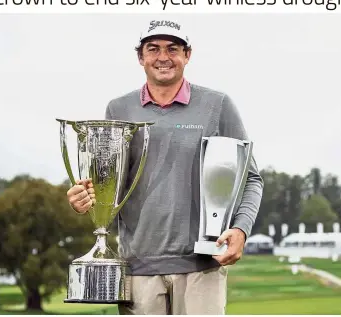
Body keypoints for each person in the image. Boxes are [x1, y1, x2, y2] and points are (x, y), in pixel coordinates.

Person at [66, 19, 264, 315]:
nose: (163, 57)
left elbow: (250, 179)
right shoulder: (119, 109)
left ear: (188, 55)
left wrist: (241, 229)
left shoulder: (217, 105)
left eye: (173, 49)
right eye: (153, 48)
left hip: (202, 266)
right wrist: (86, 200)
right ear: (140, 57)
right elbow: (110, 185)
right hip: (139, 268)